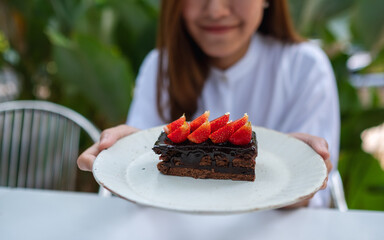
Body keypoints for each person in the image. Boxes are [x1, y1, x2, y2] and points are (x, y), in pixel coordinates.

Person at [78, 0, 339, 208]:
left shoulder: (305, 68)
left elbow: (314, 200)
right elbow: (141, 176)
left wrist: (302, 176)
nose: (216, 9)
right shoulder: (160, 66)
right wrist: (121, 161)